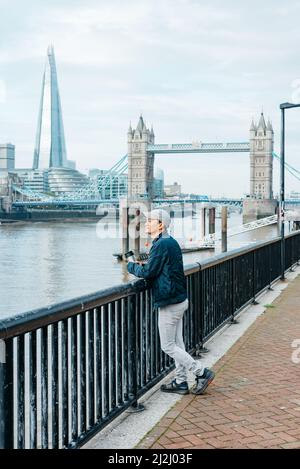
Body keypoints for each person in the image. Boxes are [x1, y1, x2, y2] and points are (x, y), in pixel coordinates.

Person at [127, 208, 215, 395]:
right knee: (178, 343)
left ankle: (201, 372)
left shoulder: (160, 245)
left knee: (167, 346)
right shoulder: (169, 242)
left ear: (160, 224)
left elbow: (148, 272)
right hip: (179, 298)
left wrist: (130, 265)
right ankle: (181, 382)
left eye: (150, 220)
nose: (146, 223)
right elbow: (159, 268)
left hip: (169, 302)